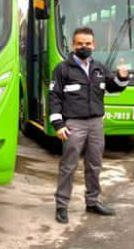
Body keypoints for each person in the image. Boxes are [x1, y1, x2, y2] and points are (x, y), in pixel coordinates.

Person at [49, 27, 129, 224]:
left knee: (94, 164)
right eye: (79, 44)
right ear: (73, 45)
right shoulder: (62, 69)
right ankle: (62, 206)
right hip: (73, 124)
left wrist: (122, 76)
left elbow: (114, 87)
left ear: (93, 45)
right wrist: (58, 124)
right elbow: (54, 97)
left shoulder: (99, 68)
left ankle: (92, 201)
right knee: (68, 165)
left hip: (95, 124)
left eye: (87, 44)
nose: (83, 47)